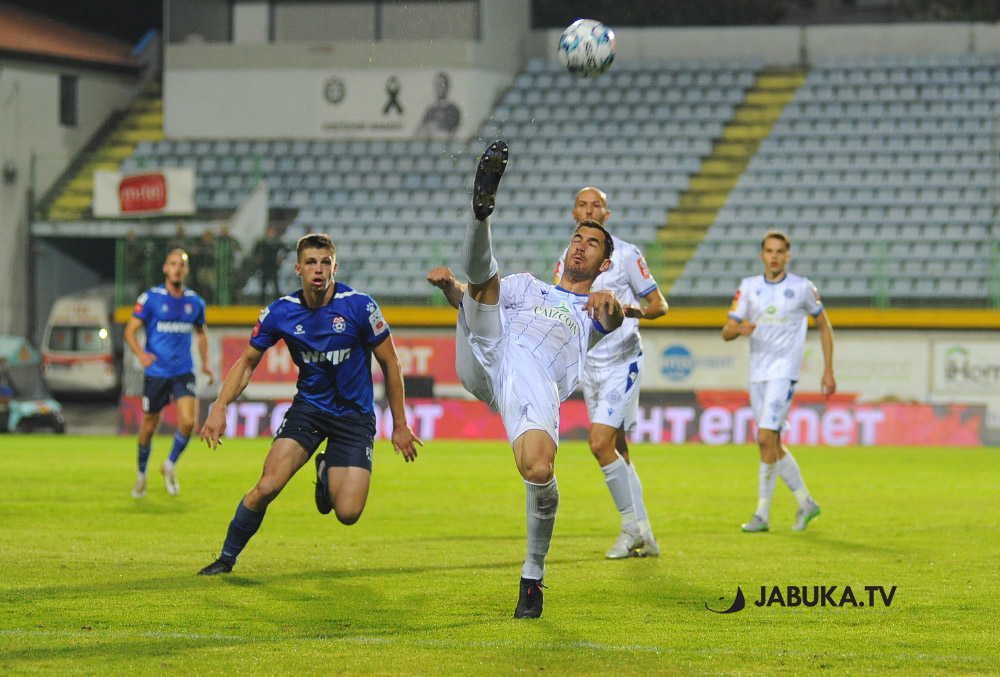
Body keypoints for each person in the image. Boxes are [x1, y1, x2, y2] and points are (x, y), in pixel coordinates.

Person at [427, 141, 624, 619]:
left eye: (592, 243)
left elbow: (613, 318)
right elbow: (477, 297)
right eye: (577, 238)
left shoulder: (590, 308)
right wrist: (452, 288)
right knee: (486, 280)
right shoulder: (529, 285)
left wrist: (611, 305)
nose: (581, 245)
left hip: (532, 378)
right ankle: (481, 212)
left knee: (538, 469)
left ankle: (532, 576)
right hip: (489, 349)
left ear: (604, 264)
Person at [196, 233, 422, 576]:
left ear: (335, 267)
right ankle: (226, 559)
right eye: (311, 262)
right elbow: (246, 363)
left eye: (325, 262)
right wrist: (220, 406)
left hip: (354, 416)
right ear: (298, 268)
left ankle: (324, 470)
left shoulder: (359, 307)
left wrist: (400, 424)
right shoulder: (280, 312)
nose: (318, 269)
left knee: (348, 513)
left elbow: (391, 363)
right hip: (310, 411)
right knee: (267, 486)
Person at [553, 187, 669, 559]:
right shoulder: (566, 259)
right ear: (574, 213)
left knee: (599, 444)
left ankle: (630, 528)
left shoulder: (628, 254)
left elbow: (659, 305)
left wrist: (630, 311)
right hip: (591, 366)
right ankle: (646, 535)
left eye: (596, 205)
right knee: (618, 450)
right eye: (582, 205)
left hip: (623, 361)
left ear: (607, 213)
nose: (589, 210)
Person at [722, 231, 835, 533]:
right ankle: (806, 502)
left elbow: (824, 326)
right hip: (757, 372)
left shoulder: (802, 288)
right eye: (769, 251)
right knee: (772, 442)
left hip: (784, 371)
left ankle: (762, 514)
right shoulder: (749, 286)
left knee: (764, 438)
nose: (774, 256)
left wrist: (828, 370)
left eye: (780, 251)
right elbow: (726, 331)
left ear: (788, 256)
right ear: (762, 255)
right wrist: (739, 329)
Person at [124, 249, 214, 498]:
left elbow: (201, 333)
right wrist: (141, 354)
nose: (177, 269)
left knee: (188, 422)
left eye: (181, 265)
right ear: (165, 268)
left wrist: (205, 363)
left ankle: (170, 465)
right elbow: (130, 331)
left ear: (186, 270)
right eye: (173, 264)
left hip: (183, 371)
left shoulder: (195, 302)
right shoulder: (151, 298)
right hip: (157, 373)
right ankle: (141, 475)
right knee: (149, 426)